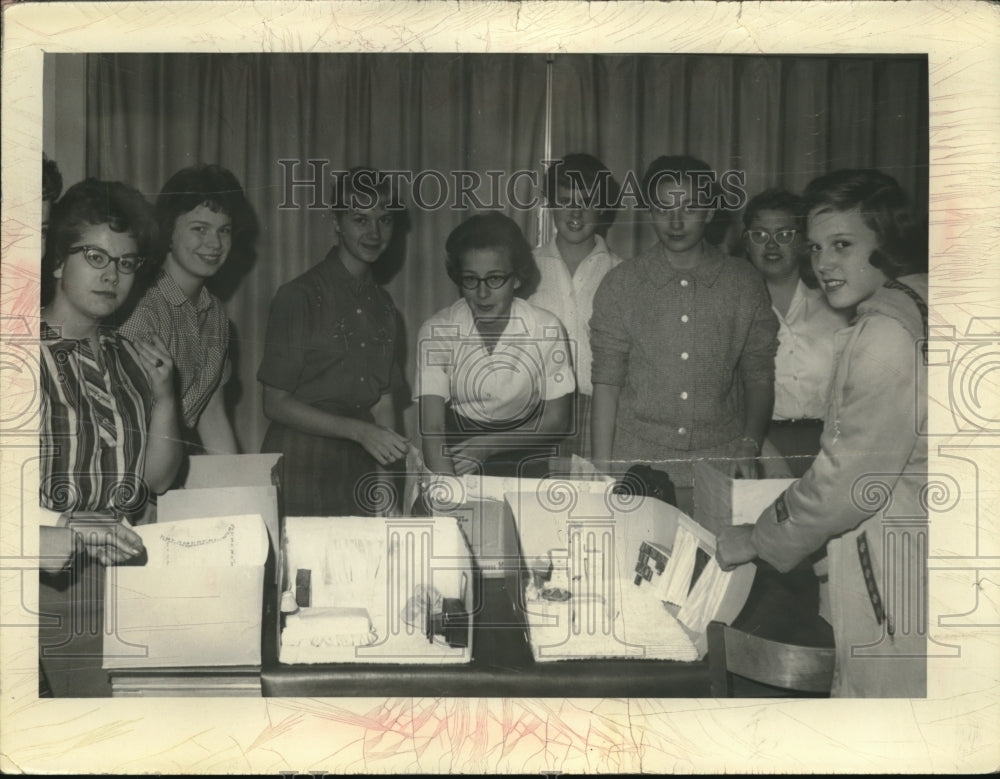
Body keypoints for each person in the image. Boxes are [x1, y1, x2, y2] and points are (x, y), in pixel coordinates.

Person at [717, 169, 928, 697]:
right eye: (815, 247)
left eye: (842, 244)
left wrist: (756, 538)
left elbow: (845, 487)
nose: (823, 264)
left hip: (894, 576)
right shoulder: (920, 302)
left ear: (889, 242)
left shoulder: (884, 335)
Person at [39, 178, 182, 696]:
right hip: (42, 579)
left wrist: (166, 398)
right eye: (95, 256)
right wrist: (61, 523)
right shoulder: (16, 356)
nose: (111, 275)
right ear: (58, 262)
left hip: (125, 577)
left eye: (125, 263)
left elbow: (158, 481)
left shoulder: (130, 358)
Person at [589, 155, 779, 513]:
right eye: (663, 208)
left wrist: (749, 445)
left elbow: (758, 375)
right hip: (637, 467)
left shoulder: (743, 283)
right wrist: (602, 471)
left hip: (722, 465)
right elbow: (607, 383)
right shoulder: (621, 284)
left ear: (710, 212)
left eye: (690, 207)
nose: (675, 221)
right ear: (649, 212)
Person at [258, 168, 409, 517]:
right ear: (337, 223)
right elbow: (274, 403)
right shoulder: (298, 296)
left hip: (360, 465)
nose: (374, 233)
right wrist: (360, 432)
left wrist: (387, 489)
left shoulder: (385, 307)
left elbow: (384, 406)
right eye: (360, 219)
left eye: (384, 220)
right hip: (301, 461)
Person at [416, 212, 575, 479]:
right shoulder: (437, 331)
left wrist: (489, 445)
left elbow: (555, 422)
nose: (482, 293)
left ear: (517, 278)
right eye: (470, 279)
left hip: (524, 448)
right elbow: (432, 428)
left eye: (495, 278)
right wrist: (448, 493)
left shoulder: (546, 328)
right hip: (456, 450)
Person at [120, 164, 254, 454]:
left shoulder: (216, 315)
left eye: (224, 230)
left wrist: (235, 488)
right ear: (168, 231)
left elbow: (213, 415)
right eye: (199, 229)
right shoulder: (140, 308)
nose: (215, 243)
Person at [743, 189, 850, 478]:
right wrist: (762, 450)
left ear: (803, 241)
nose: (772, 245)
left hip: (833, 448)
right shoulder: (734, 310)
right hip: (760, 452)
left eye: (785, 234)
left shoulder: (837, 307)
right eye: (760, 235)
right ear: (747, 242)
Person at [529, 153, 623, 460]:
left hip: (602, 412)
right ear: (550, 203)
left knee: (593, 502)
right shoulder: (524, 268)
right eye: (566, 200)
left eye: (587, 201)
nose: (576, 212)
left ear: (604, 206)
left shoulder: (623, 273)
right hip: (536, 412)